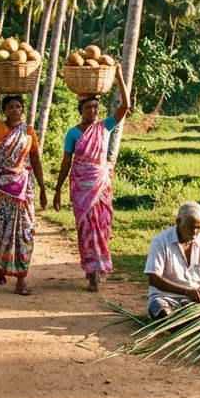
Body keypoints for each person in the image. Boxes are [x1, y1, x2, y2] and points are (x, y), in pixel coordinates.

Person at [53, 63, 131, 292]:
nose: (93, 111)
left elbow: (125, 105)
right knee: (86, 229)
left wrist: (118, 75)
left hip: (101, 184)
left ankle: (98, 268)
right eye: (88, 108)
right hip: (80, 187)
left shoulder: (105, 127)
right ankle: (91, 272)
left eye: (96, 107)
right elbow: (66, 162)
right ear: (81, 110)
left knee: (102, 228)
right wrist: (57, 189)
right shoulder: (73, 133)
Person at [0, 62, 47, 296]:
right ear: (5, 111)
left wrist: (43, 188)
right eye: (12, 107)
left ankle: (21, 279)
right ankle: (1, 265)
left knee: (24, 230)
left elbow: (35, 159)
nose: (16, 110)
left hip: (24, 187)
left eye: (19, 106)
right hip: (1, 188)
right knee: (1, 229)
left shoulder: (28, 132)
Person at [145, 202, 200, 319]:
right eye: (191, 227)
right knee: (161, 310)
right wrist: (187, 291)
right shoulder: (161, 241)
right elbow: (154, 279)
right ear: (179, 222)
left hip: (194, 301)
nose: (195, 232)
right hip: (165, 297)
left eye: (199, 227)